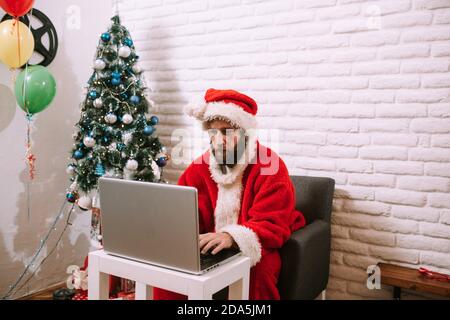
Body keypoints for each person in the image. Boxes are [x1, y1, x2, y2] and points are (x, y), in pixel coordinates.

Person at [153, 88, 306, 300]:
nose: (219, 140)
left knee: (257, 272)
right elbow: (182, 213)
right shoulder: (198, 168)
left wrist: (231, 236)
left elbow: (273, 222)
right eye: (213, 133)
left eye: (227, 132)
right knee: (171, 269)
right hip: (209, 245)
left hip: (256, 245)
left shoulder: (271, 166)